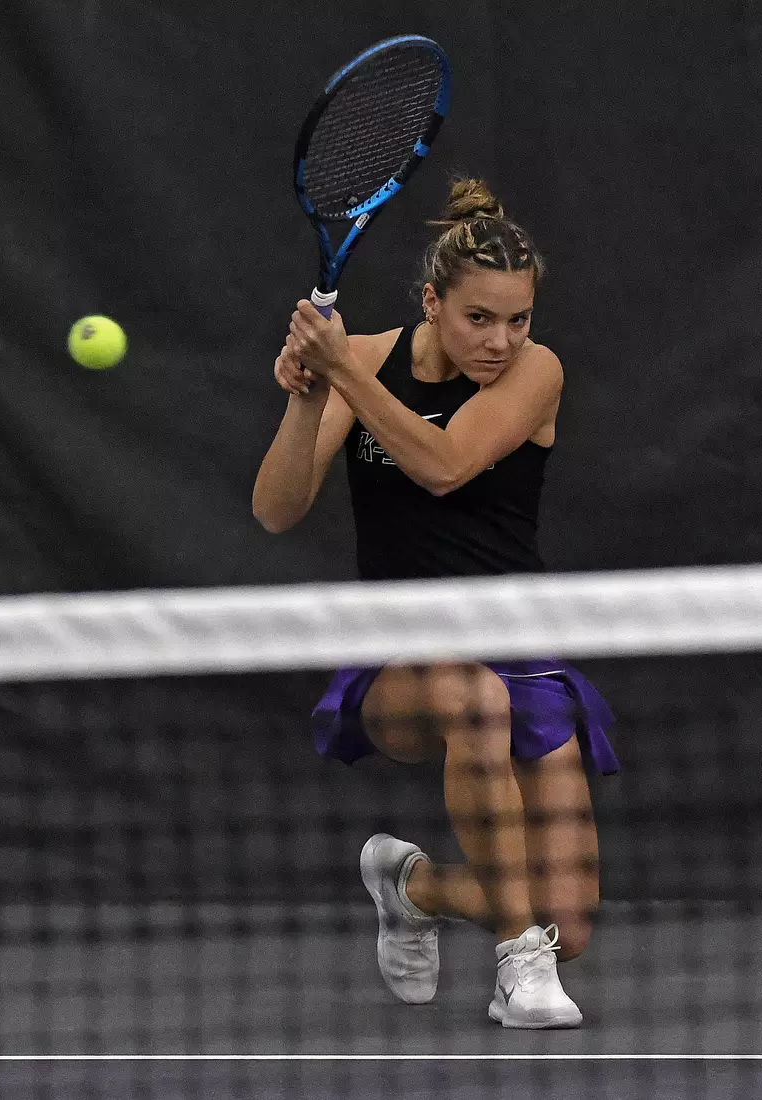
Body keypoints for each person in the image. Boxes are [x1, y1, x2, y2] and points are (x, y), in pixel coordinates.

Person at [252, 179, 619, 1029]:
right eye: (479, 318)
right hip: (405, 660)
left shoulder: (536, 374)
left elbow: (445, 465)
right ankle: (514, 964)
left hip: (521, 653)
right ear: (432, 302)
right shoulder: (365, 365)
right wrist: (313, 393)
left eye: (517, 318)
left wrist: (344, 370)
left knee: (573, 925)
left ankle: (410, 887)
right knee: (471, 699)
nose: (501, 340)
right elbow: (277, 508)